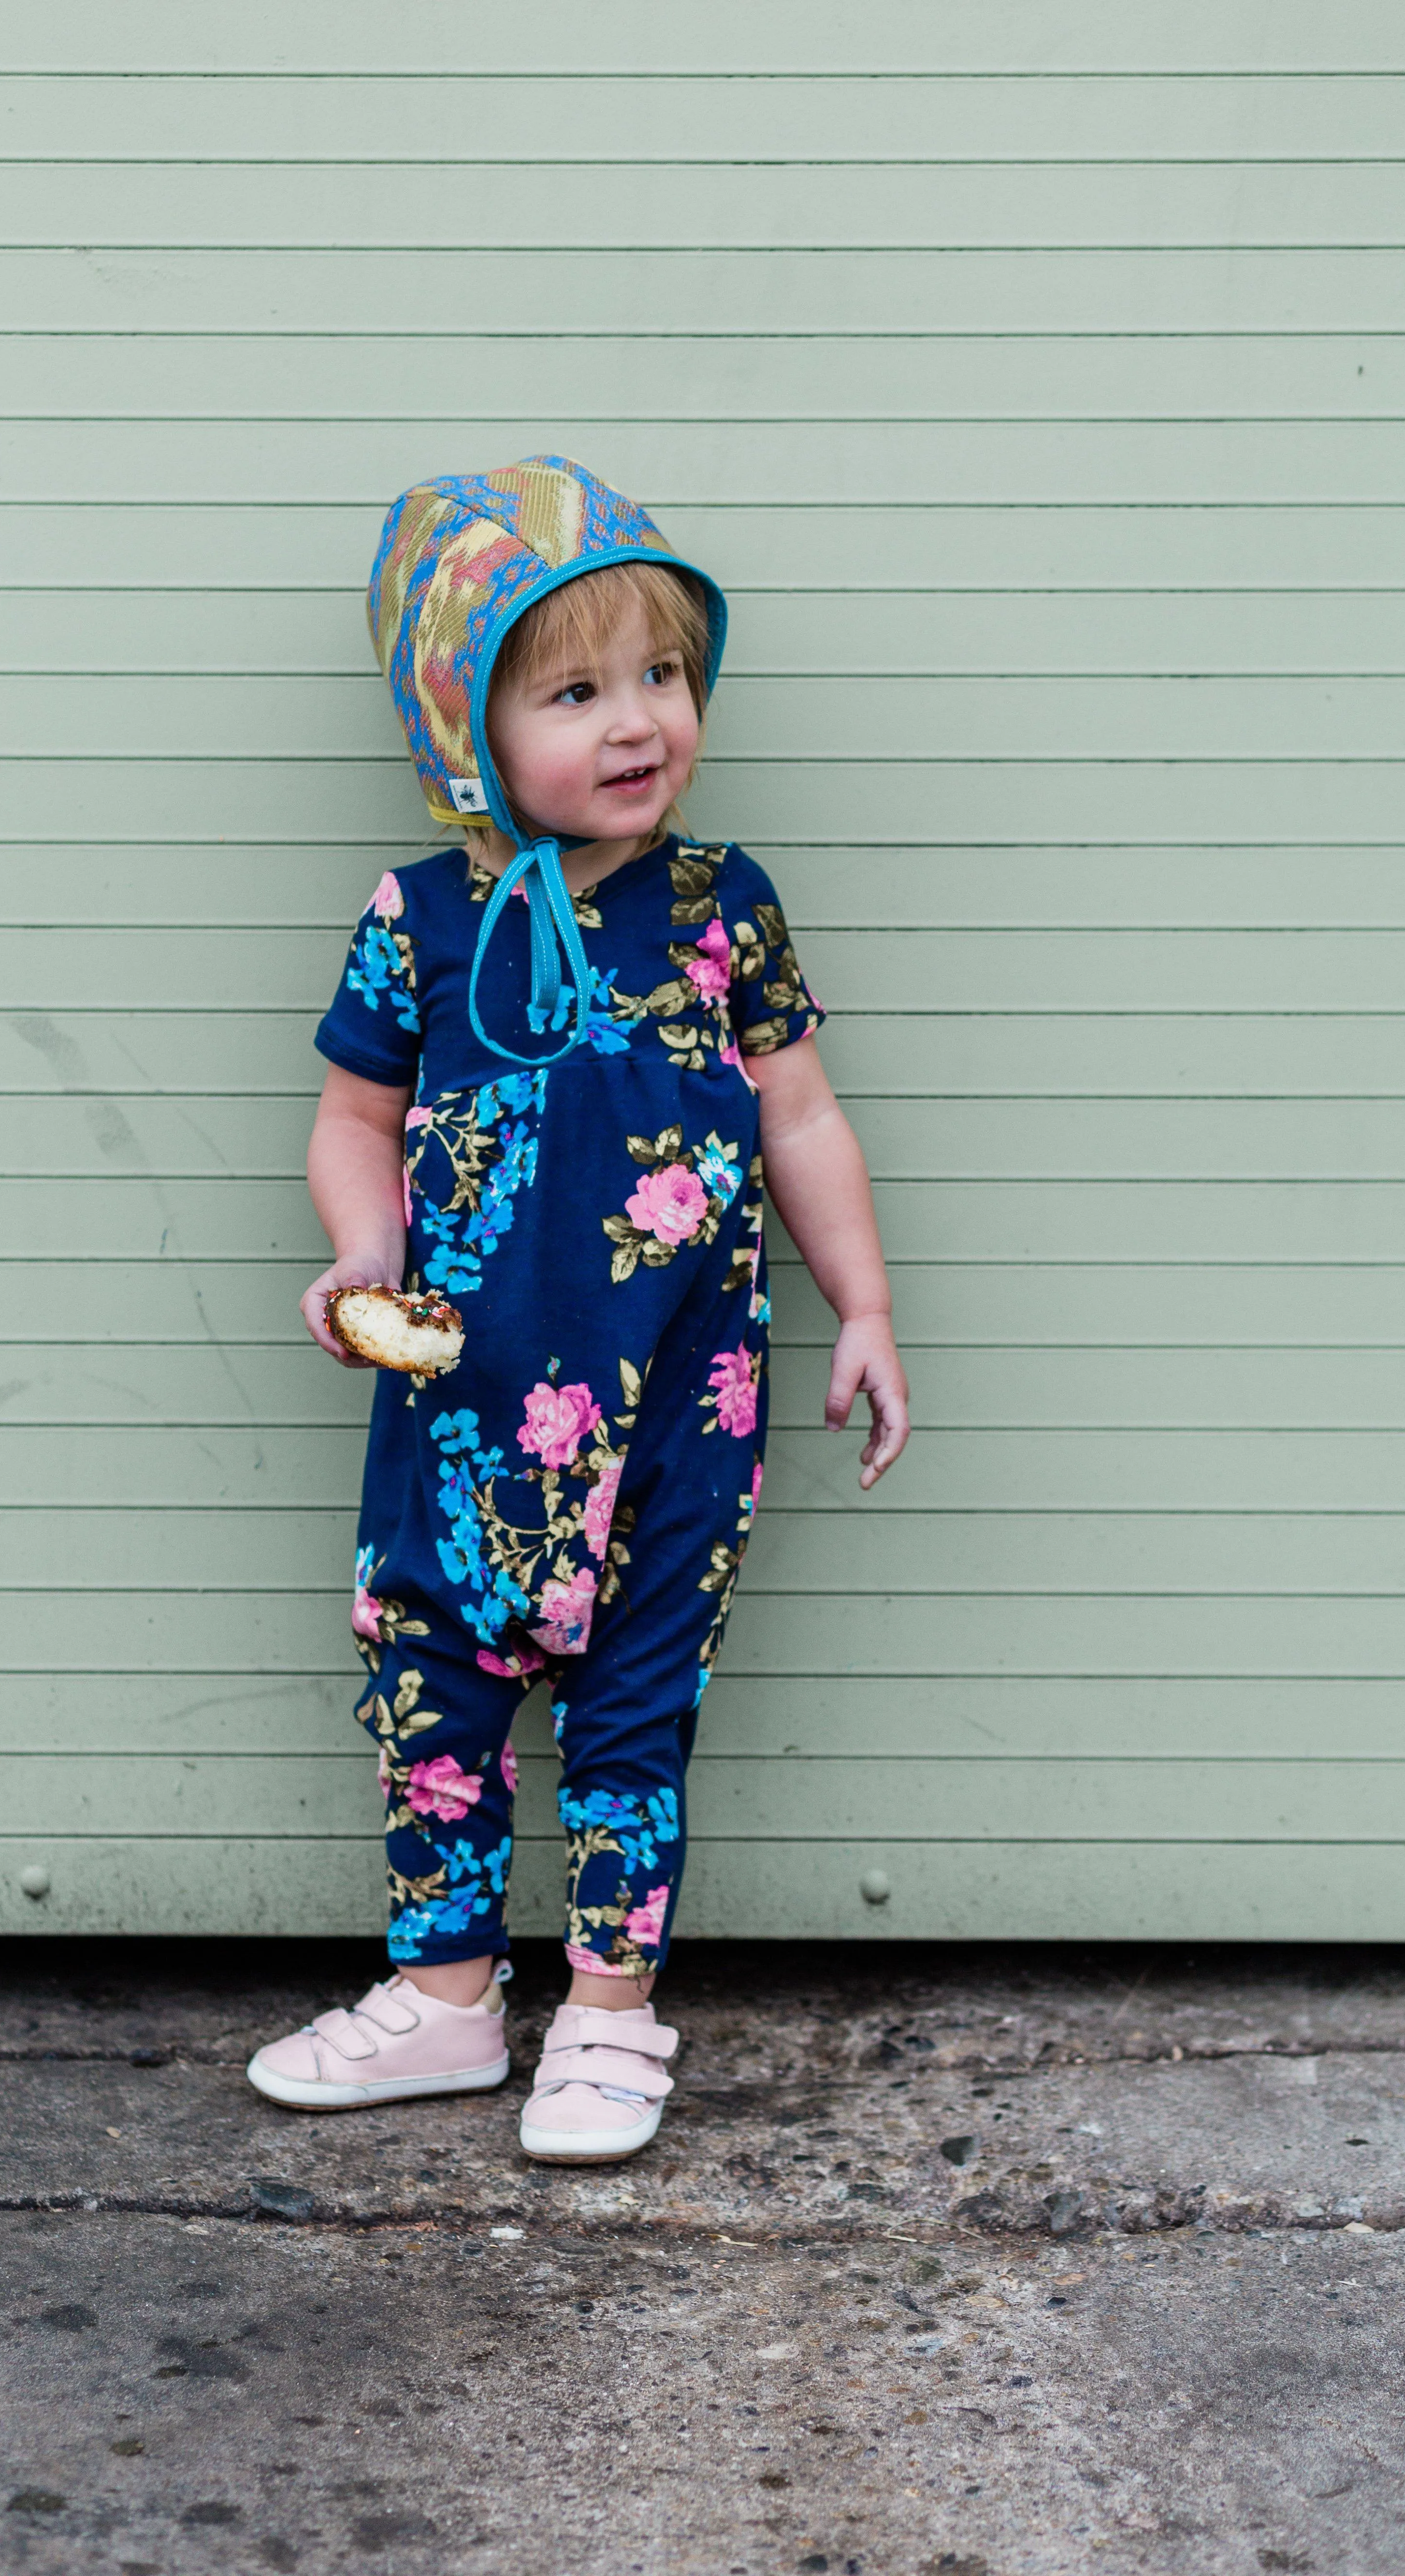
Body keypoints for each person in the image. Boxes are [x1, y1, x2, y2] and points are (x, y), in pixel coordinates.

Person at [247, 457, 910, 2162]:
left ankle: (610, 2019)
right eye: (575, 689)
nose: (637, 723)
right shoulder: (424, 918)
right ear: (468, 726)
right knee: (438, 1692)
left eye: (662, 678)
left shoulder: (720, 907)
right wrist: (360, 1251)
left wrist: (864, 1305)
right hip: (466, 1399)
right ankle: (450, 2004)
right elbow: (352, 1119)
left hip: (681, 1396)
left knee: (635, 1698)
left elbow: (802, 1115)